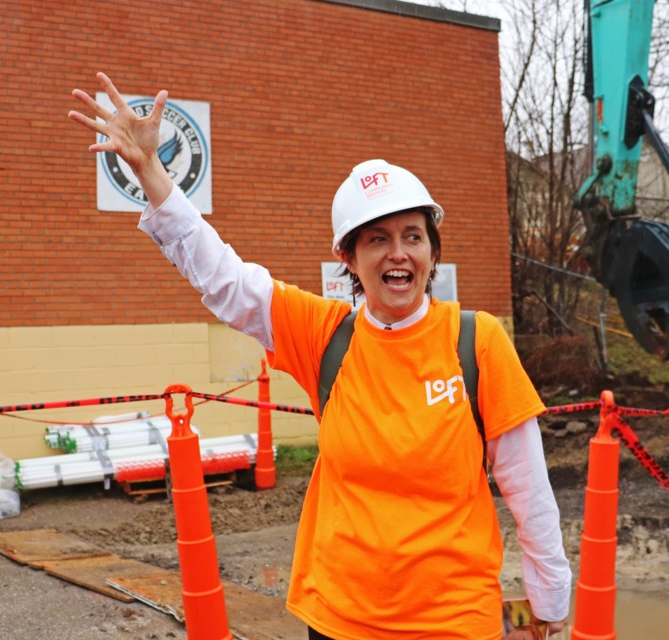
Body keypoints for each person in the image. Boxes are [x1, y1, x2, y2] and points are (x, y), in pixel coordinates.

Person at [69, 73, 571, 640]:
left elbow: (529, 488)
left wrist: (548, 599)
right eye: (377, 238)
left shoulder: (476, 342)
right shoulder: (325, 334)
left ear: (432, 251)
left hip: (454, 621)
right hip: (338, 617)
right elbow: (225, 279)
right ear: (349, 258)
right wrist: (152, 175)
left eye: (413, 235)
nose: (398, 252)